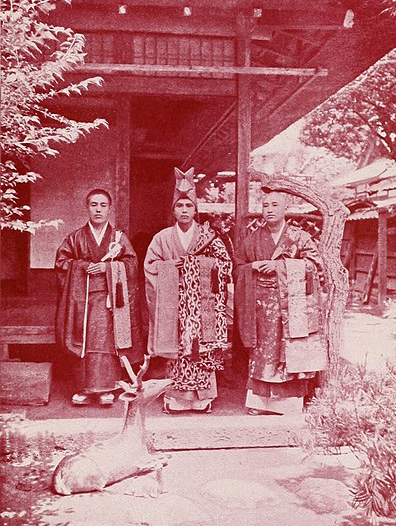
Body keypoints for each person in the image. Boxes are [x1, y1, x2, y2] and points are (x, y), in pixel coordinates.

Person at [144, 168, 232, 413]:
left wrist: (198, 266)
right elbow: (149, 266)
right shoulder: (162, 238)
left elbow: (225, 264)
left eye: (188, 206)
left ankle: (203, 398)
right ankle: (176, 398)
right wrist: (171, 267)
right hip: (174, 304)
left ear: (196, 210)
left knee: (201, 351)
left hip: (202, 305)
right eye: (179, 206)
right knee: (178, 351)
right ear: (173, 210)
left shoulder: (208, 236)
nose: (184, 210)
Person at [235, 189, 327, 415]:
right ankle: (260, 402)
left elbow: (315, 267)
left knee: (291, 350)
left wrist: (281, 266)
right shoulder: (253, 239)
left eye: (275, 205)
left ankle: (290, 402)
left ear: (285, 208)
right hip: (262, 306)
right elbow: (237, 267)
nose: (269, 210)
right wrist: (252, 267)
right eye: (265, 205)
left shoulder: (299, 236)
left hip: (293, 305)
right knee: (262, 352)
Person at [55, 189, 143, 406]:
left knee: (106, 341)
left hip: (110, 299)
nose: (98, 209)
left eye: (103, 205)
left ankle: (106, 388)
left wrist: (107, 267)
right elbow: (61, 263)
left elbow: (132, 264)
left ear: (109, 208)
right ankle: (84, 389)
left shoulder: (118, 238)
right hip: (82, 299)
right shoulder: (75, 237)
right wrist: (83, 267)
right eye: (94, 204)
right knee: (83, 339)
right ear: (87, 207)